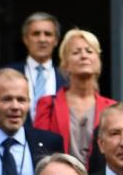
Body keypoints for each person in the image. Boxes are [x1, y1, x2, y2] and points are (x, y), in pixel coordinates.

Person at [35, 28, 115, 165]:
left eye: (89, 51)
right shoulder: (48, 104)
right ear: (65, 64)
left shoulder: (112, 107)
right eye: (76, 52)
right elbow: (39, 149)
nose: (84, 56)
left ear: (98, 62)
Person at [5, 12, 68, 118]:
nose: (42, 39)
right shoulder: (7, 73)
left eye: (48, 34)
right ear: (25, 39)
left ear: (56, 40)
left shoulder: (67, 77)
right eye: (36, 34)